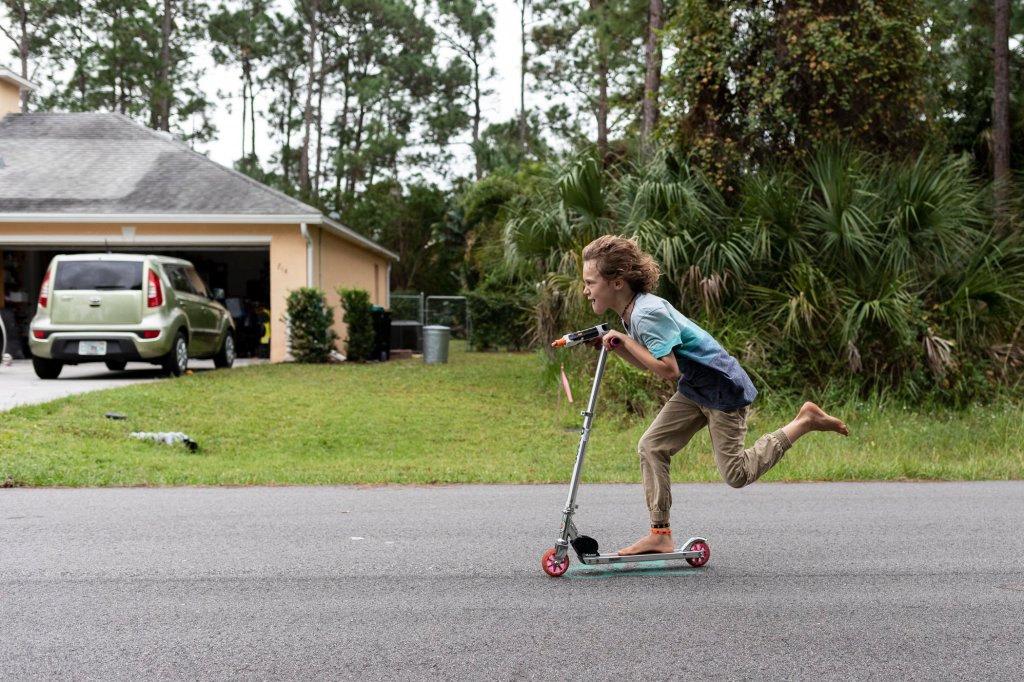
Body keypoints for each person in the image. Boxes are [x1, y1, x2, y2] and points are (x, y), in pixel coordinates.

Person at [580, 235, 849, 556]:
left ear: (618, 282)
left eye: (590, 282)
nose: (585, 290)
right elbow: (650, 364)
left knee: (737, 474)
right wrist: (616, 347)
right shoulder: (631, 312)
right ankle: (660, 533)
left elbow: (667, 370)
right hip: (695, 388)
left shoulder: (645, 313)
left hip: (722, 388)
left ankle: (804, 421)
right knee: (651, 447)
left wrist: (623, 342)